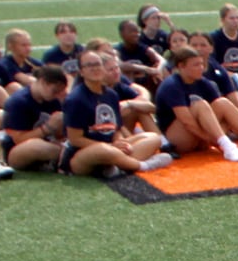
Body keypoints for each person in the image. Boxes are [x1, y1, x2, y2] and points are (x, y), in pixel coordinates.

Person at [63, 46, 172, 177]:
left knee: (153, 138)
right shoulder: (76, 99)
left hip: (112, 147)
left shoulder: (111, 95)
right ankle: (143, 165)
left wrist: (120, 142)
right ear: (81, 71)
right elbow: (75, 139)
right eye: (89, 65)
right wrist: (111, 146)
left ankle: (116, 168)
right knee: (104, 150)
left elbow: (116, 129)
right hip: (84, 153)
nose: (95, 68)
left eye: (98, 64)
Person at [0, 65, 72, 172]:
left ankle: (63, 158)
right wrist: (48, 128)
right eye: (54, 91)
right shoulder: (18, 102)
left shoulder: (53, 100)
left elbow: (60, 134)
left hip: (48, 144)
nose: (57, 95)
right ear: (43, 82)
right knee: (36, 146)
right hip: (16, 151)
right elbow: (18, 139)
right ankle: (67, 159)